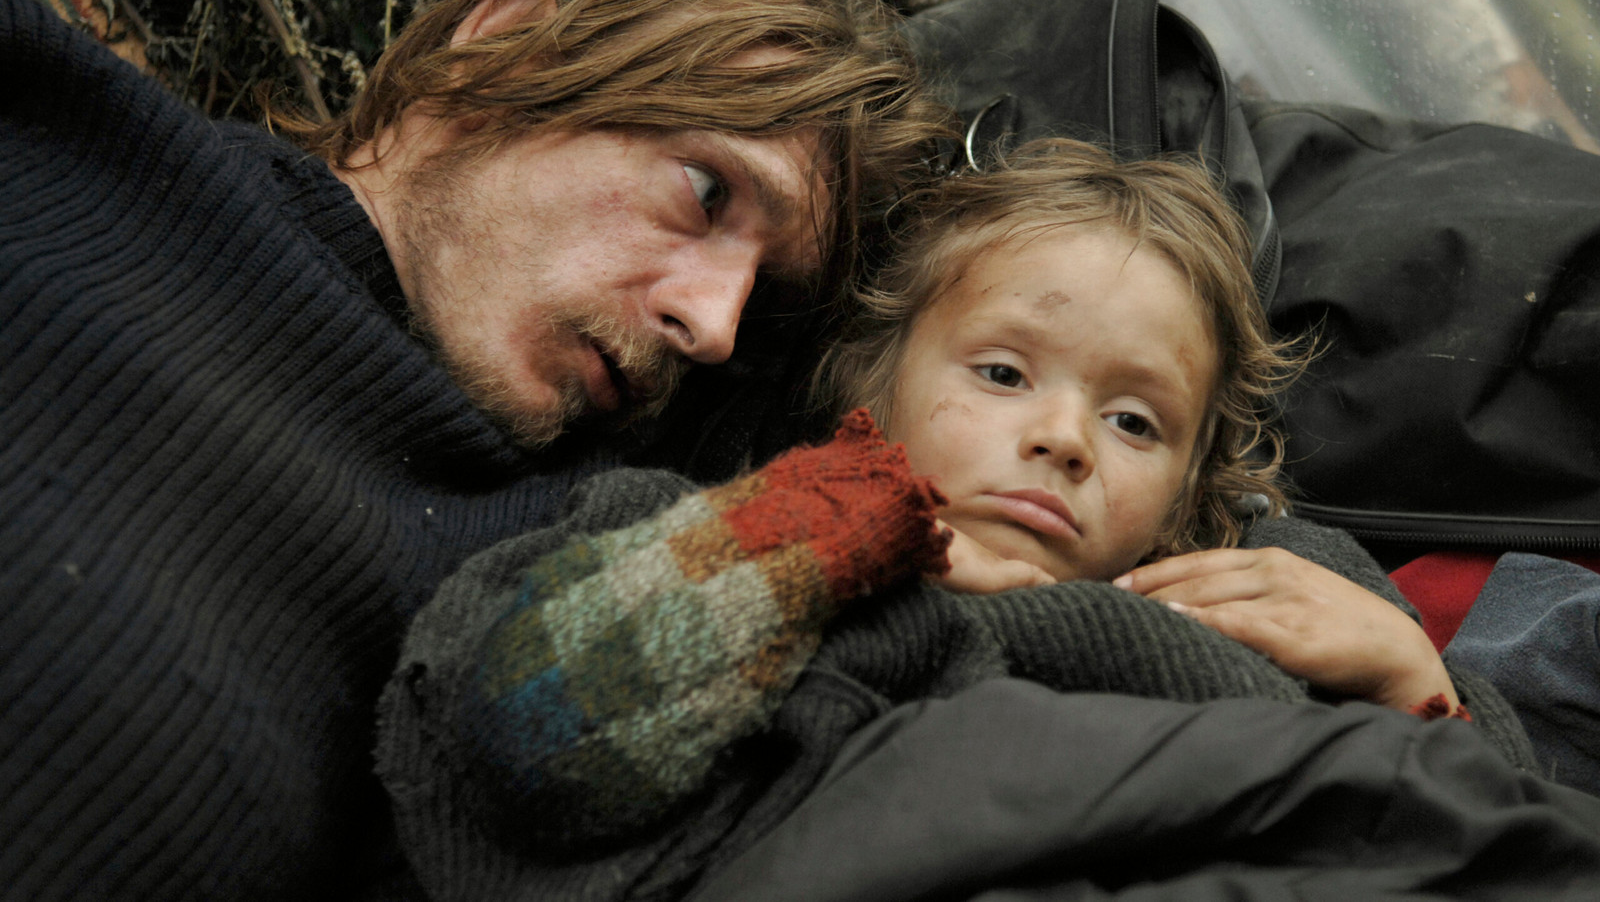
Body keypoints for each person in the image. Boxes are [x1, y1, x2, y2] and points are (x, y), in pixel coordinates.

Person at [0, 0, 945, 901]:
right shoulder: (50, 117)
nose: (714, 325)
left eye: (762, 301)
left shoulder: (540, 593)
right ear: (505, 43)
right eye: (706, 191)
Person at [376, 138, 1540, 901]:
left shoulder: (1263, 619)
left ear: (1187, 503)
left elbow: (1489, 852)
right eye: (1001, 373)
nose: (1067, 437)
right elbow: (535, 730)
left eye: (1135, 421)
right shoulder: (705, 532)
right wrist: (837, 530)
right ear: (866, 380)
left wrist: (1415, 687)